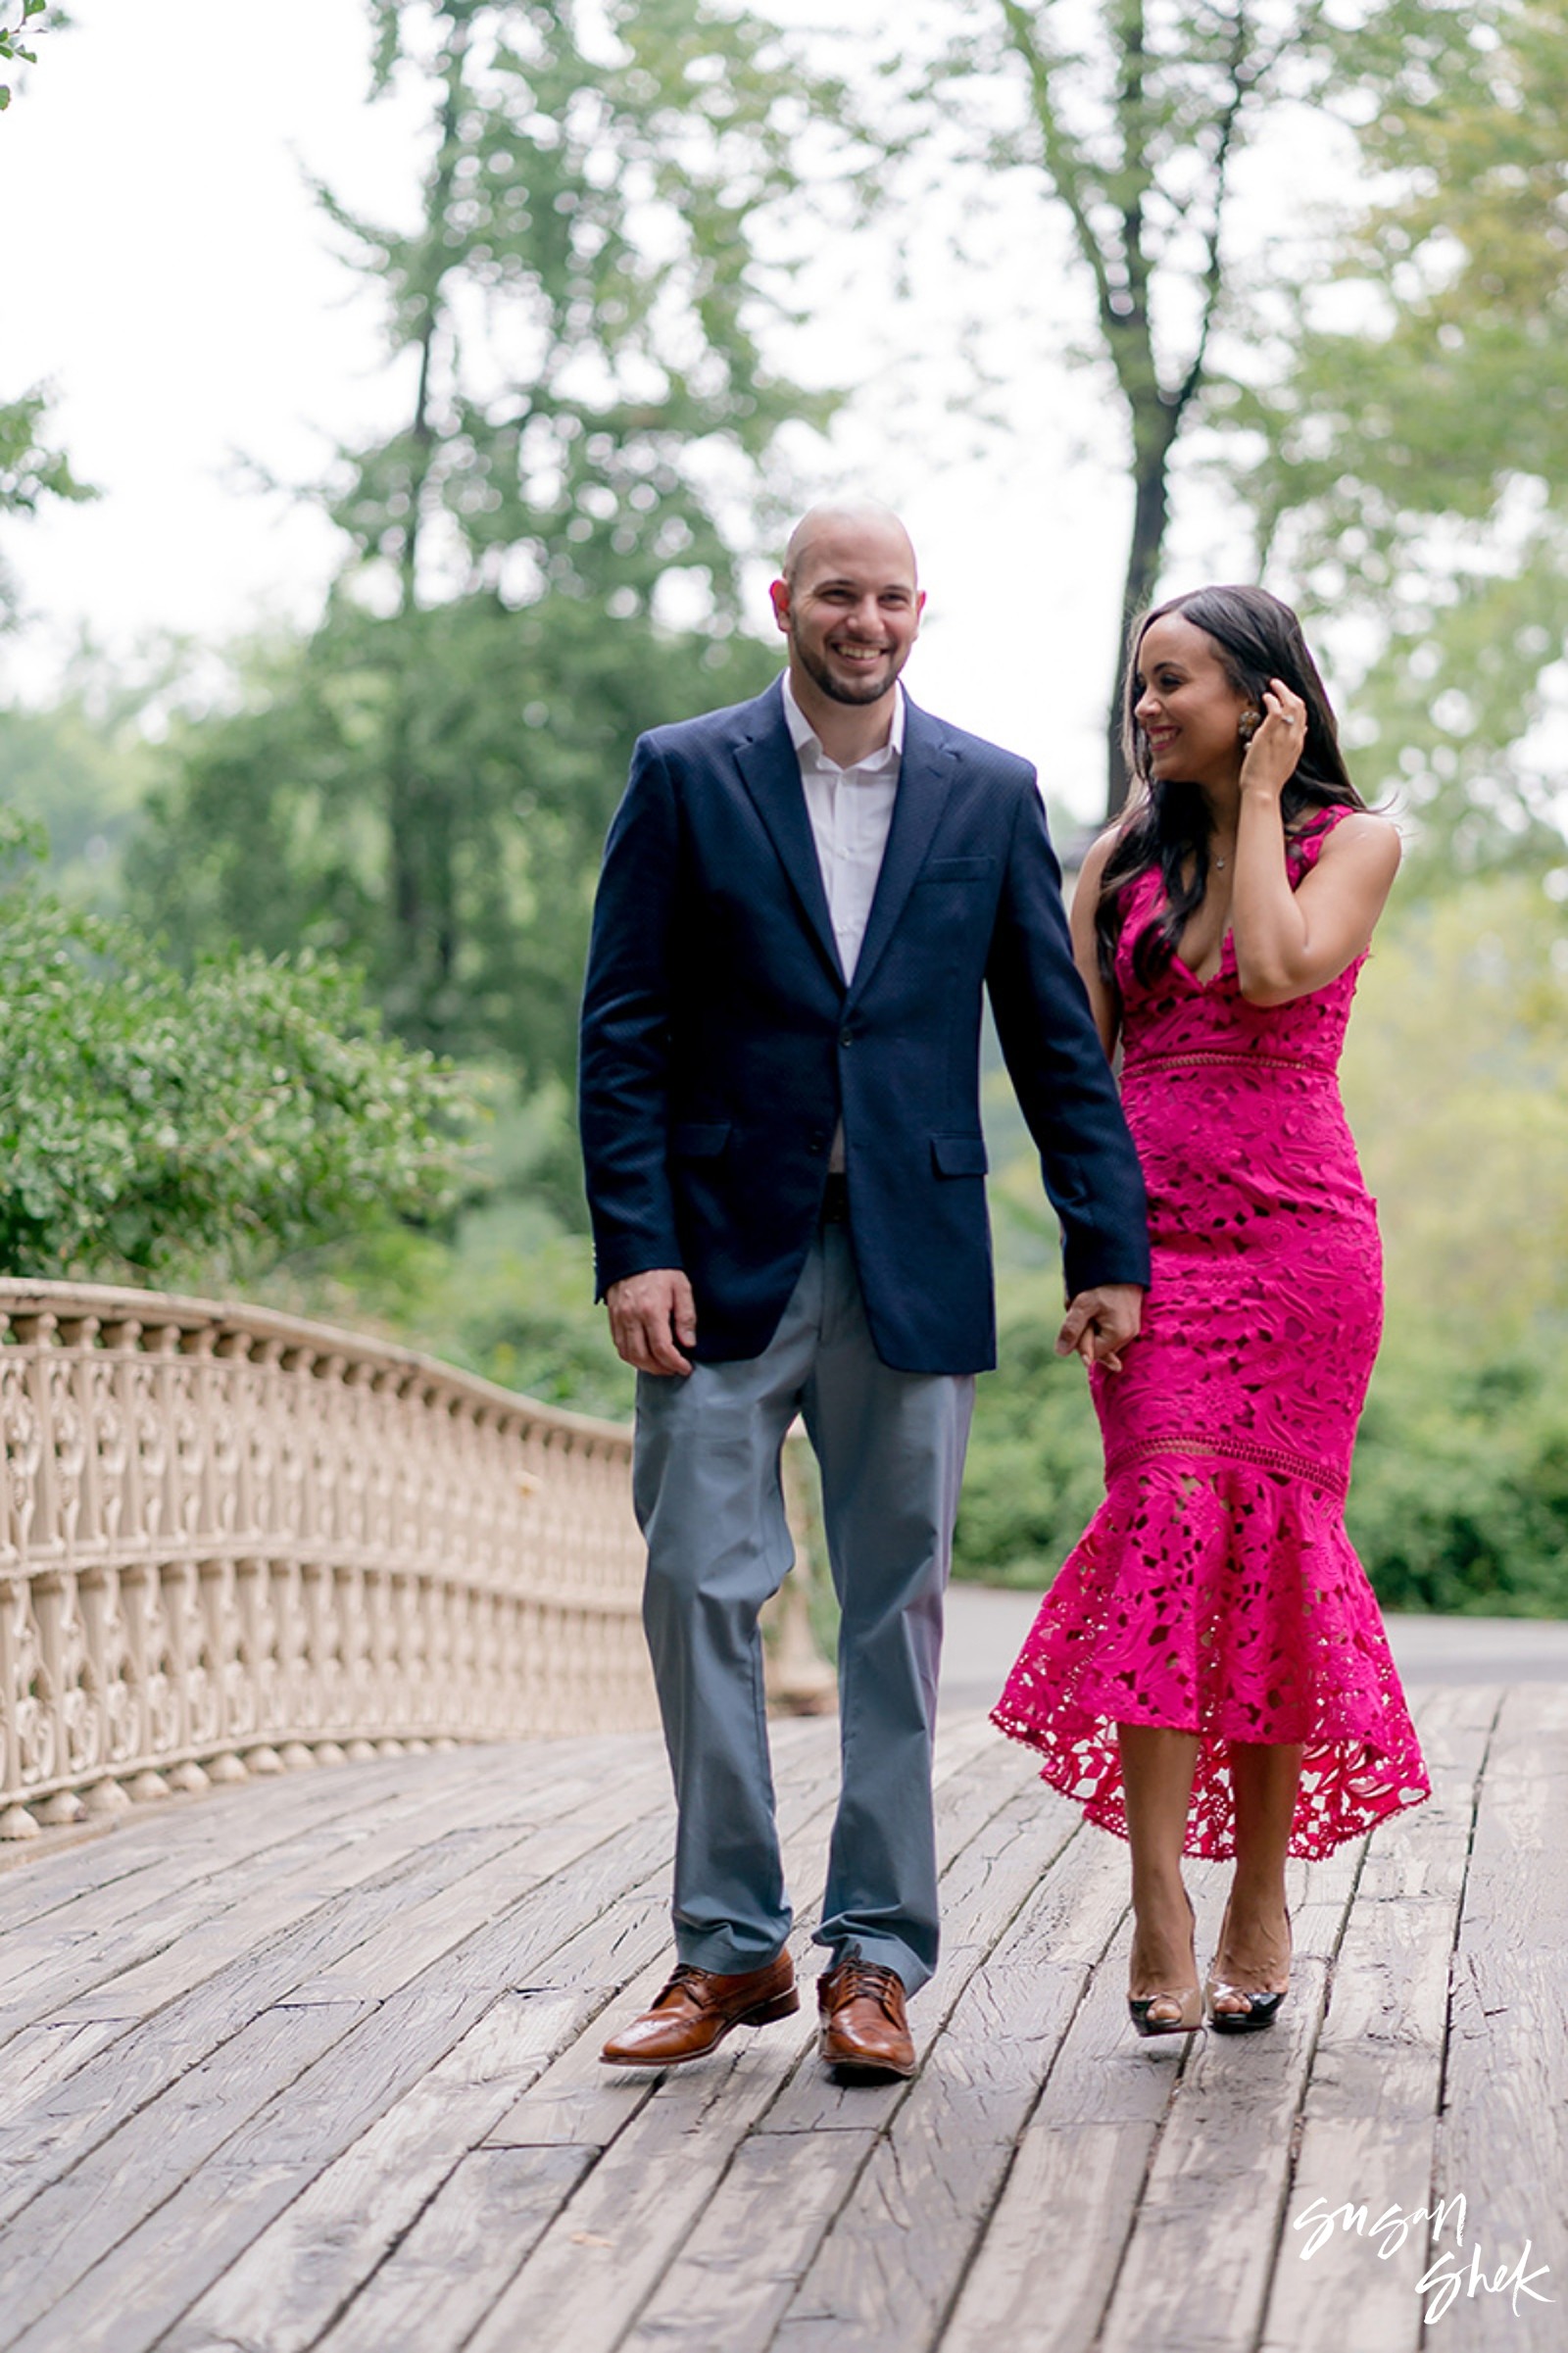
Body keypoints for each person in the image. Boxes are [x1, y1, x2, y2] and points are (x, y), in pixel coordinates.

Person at [580, 503, 1150, 2079]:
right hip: (713, 1263)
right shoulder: (686, 773)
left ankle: (876, 1958)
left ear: (921, 610)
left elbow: (1051, 1040)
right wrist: (633, 1242)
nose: (868, 619)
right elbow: (619, 1025)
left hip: (916, 1260)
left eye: (894, 596)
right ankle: (729, 1943)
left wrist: (1105, 1245)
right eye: (841, 592)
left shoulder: (985, 791)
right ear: (784, 602)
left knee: (894, 1617)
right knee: (699, 1579)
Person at [995, 584, 1430, 2039]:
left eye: (1171, 681)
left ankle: (1256, 1888)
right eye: (1137, 684)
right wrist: (1091, 1258)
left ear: (1263, 697)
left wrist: (1254, 799)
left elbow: (1273, 966)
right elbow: (1075, 1078)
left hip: (1302, 1249)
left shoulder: (1352, 839)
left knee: (1274, 1563)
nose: (1144, 707)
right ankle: (1158, 1895)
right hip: (1158, 1254)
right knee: (1173, 1534)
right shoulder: (1113, 855)